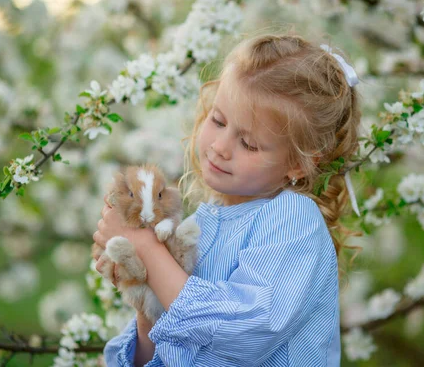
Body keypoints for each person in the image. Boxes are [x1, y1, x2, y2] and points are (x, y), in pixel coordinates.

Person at [93, 32, 362, 366]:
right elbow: (168, 354)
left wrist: (148, 252)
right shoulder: (196, 228)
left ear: (298, 163)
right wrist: (147, 305)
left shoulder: (293, 218)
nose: (220, 146)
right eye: (217, 120)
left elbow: (246, 332)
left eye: (248, 143)